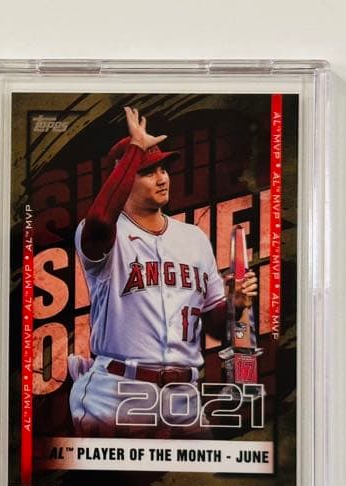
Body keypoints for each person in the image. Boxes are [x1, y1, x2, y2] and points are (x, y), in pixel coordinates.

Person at [69, 107, 258, 436]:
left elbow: (213, 326)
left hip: (184, 396)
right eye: (148, 171)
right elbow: (99, 219)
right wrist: (134, 150)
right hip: (116, 392)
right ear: (124, 177)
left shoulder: (194, 238)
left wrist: (233, 303)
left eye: (163, 168)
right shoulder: (102, 234)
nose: (162, 178)